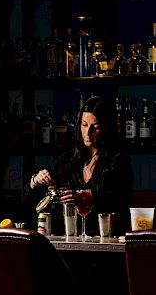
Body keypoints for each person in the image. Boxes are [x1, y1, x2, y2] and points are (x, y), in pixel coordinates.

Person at [21, 96, 133, 237]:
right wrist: (35, 180)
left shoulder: (118, 162)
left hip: (104, 243)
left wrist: (84, 199)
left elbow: (121, 204)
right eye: (84, 125)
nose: (87, 133)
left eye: (95, 127)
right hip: (67, 241)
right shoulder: (67, 160)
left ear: (106, 128)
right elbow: (25, 200)